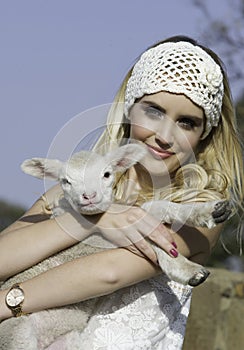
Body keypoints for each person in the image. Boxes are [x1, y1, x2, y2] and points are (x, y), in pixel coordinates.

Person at [0, 35, 243, 349]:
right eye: (154, 111)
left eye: (186, 122)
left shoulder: (199, 210)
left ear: (203, 134)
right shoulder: (75, 192)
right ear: (130, 110)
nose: (165, 136)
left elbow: (110, 272)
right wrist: (94, 219)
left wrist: (8, 302)